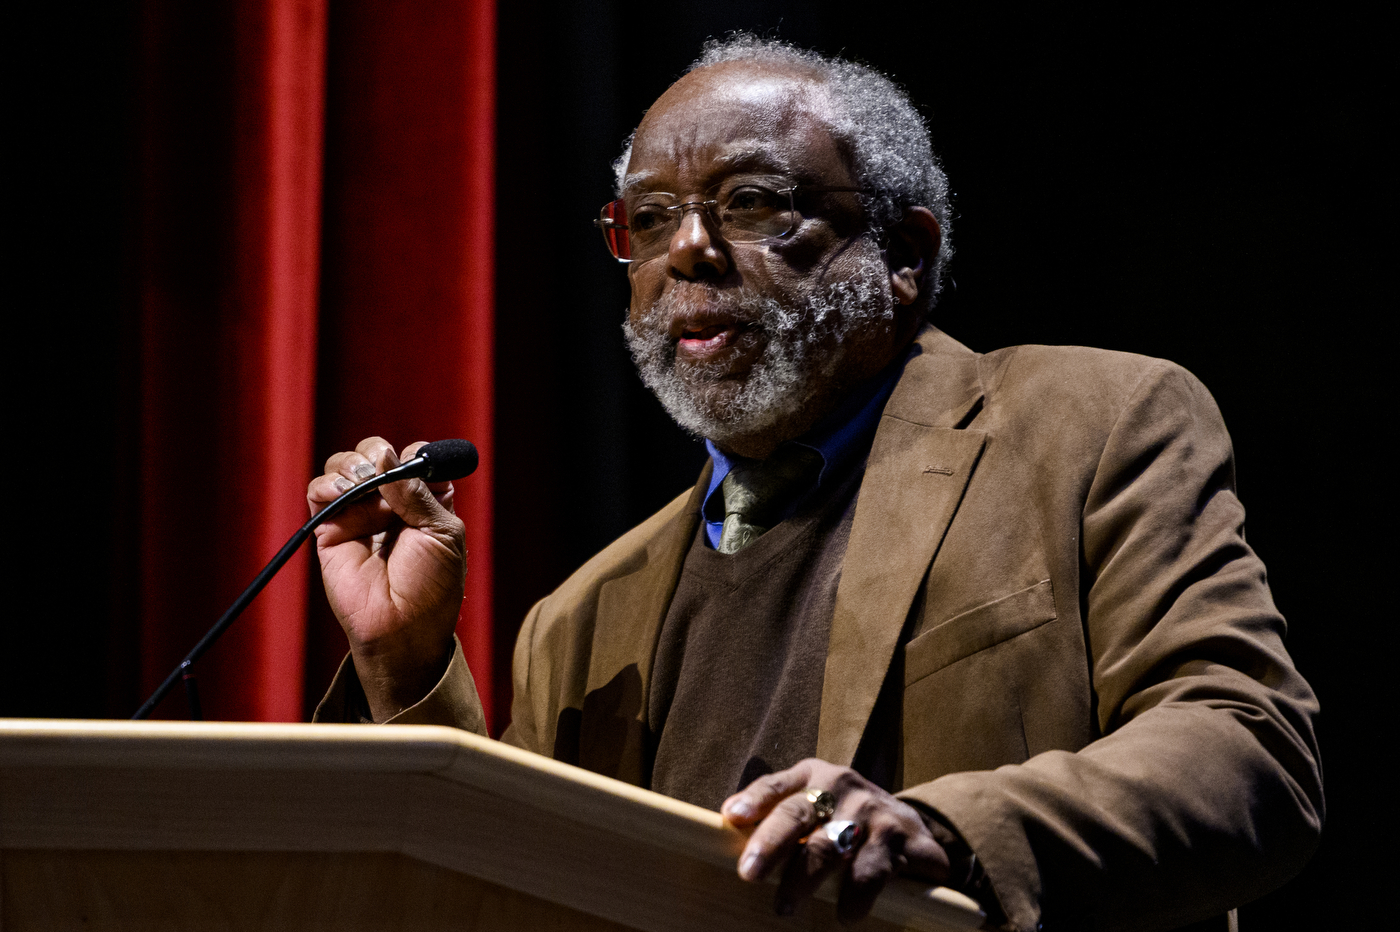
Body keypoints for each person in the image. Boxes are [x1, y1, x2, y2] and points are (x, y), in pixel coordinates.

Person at [309, 36, 1322, 932]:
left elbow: (1243, 752)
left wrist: (943, 829)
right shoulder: (580, 616)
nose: (689, 251)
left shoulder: (1085, 428)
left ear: (904, 255)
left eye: (750, 202)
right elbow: (501, 894)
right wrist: (404, 665)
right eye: (649, 220)